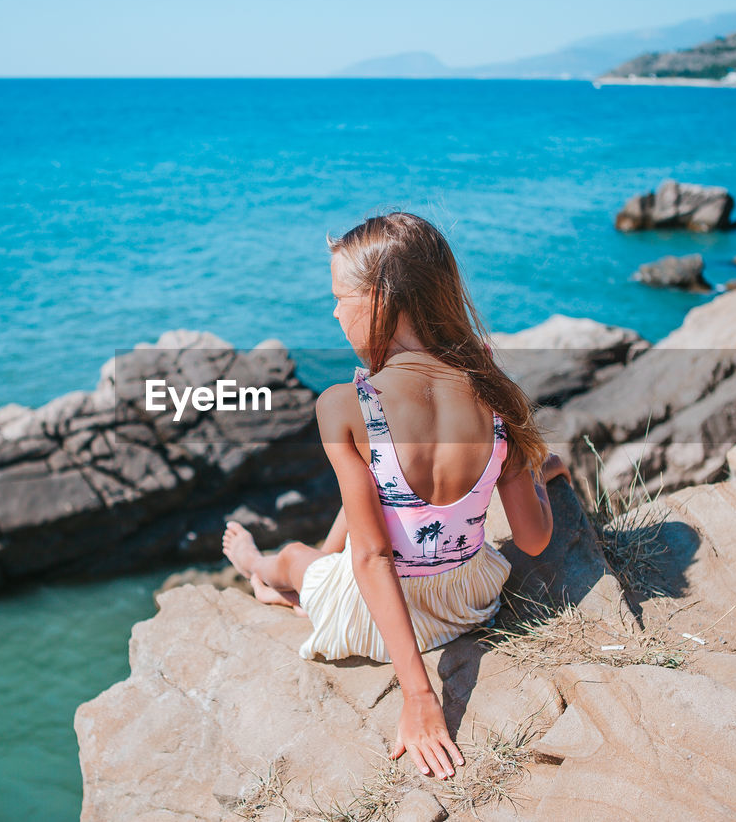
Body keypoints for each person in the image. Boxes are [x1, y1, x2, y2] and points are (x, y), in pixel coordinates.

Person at [221, 211, 569, 782]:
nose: (333, 312)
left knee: (291, 558)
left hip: (377, 619)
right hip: (466, 601)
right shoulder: (490, 386)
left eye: (340, 298)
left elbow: (374, 558)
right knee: (373, 498)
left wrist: (419, 696)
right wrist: (535, 470)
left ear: (383, 298)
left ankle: (258, 571)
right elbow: (533, 538)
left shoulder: (345, 405)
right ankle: (307, 571)